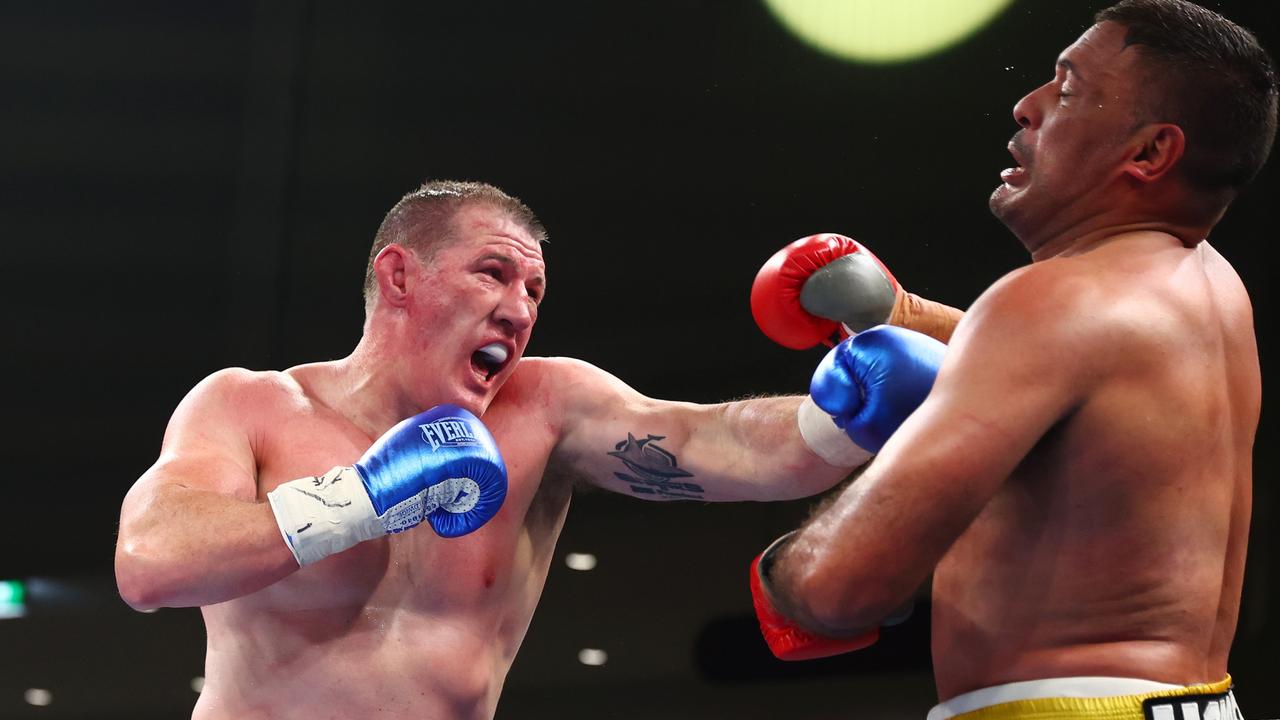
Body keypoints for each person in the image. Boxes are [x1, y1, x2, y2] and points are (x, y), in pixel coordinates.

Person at [114, 180, 945, 720]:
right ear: (399, 277)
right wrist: (362, 495)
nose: (520, 309)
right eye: (493, 275)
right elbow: (150, 563)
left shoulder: (544, 408)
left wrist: (839, 420)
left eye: (535, 291)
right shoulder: (250, 404)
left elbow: (710, 441)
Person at [749, 1, 1275, 718]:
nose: (1027, 106)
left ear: (1150, 153)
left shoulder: (1046, 302)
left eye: (1066, 90)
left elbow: (839, 589)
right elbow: (1084, 372)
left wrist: (784, 571)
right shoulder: (1211, 290)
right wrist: (901, 316)